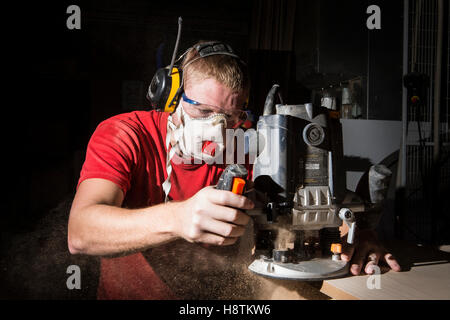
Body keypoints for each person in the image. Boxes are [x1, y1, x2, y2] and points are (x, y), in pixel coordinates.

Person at [67, 40, 401, 300]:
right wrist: (178, 218)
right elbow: (81, 233)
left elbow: (303, 209)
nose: (217, 130)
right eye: (204, 113)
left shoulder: (247, 143)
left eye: (230, 117)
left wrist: (358, 237)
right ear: (172, 97)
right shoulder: (127, 133)